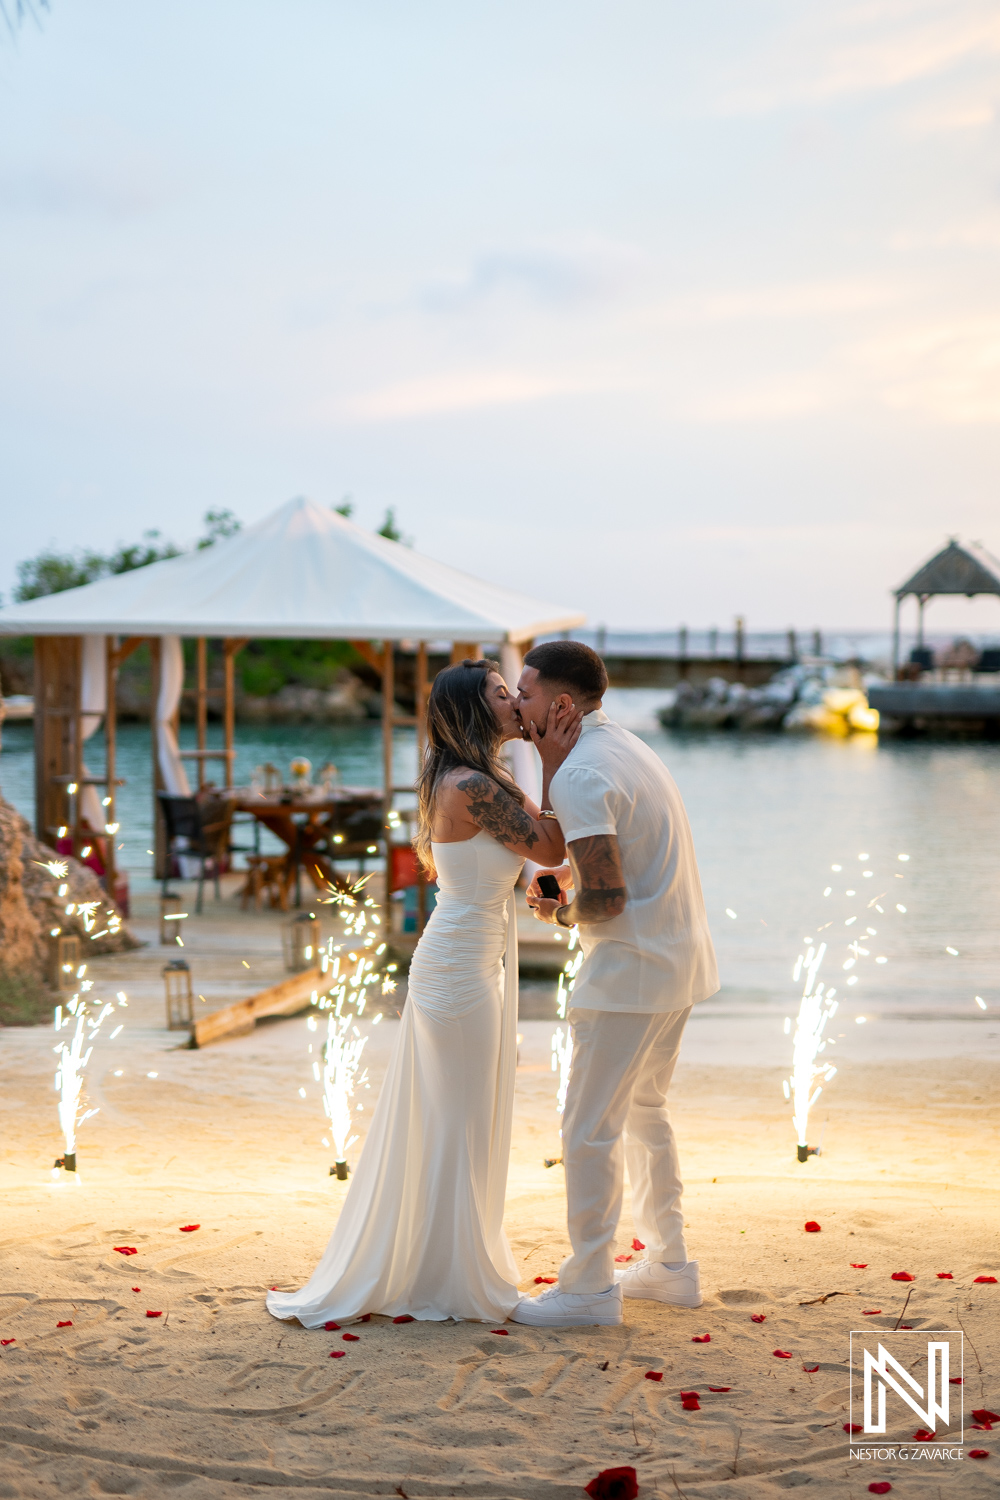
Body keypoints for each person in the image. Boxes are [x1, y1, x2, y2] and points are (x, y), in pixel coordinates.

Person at [266, 658, 581, 1327]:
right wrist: (553, 761)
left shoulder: (475, 778)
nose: (515, 703)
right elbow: (552, 846)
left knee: (459, 1117)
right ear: (474, 709)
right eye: (502, 694)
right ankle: (449, 1277)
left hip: (465, 960)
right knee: (460, 1119)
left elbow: (533, 856)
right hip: (459, 971)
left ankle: (446, 1264)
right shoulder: (471, 784)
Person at [510, 640, 718, 1328]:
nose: (518, 703)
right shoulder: (626, 747)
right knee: (645, 1114)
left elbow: (606, 897)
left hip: (629, 970)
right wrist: (571, 859)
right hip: (679, 960)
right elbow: (621, 852)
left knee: (588, 1129)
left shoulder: (581, 772)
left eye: (527, 693)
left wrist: (559, 911)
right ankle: (669, 1266)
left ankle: (589, 1288)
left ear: (561, 703)